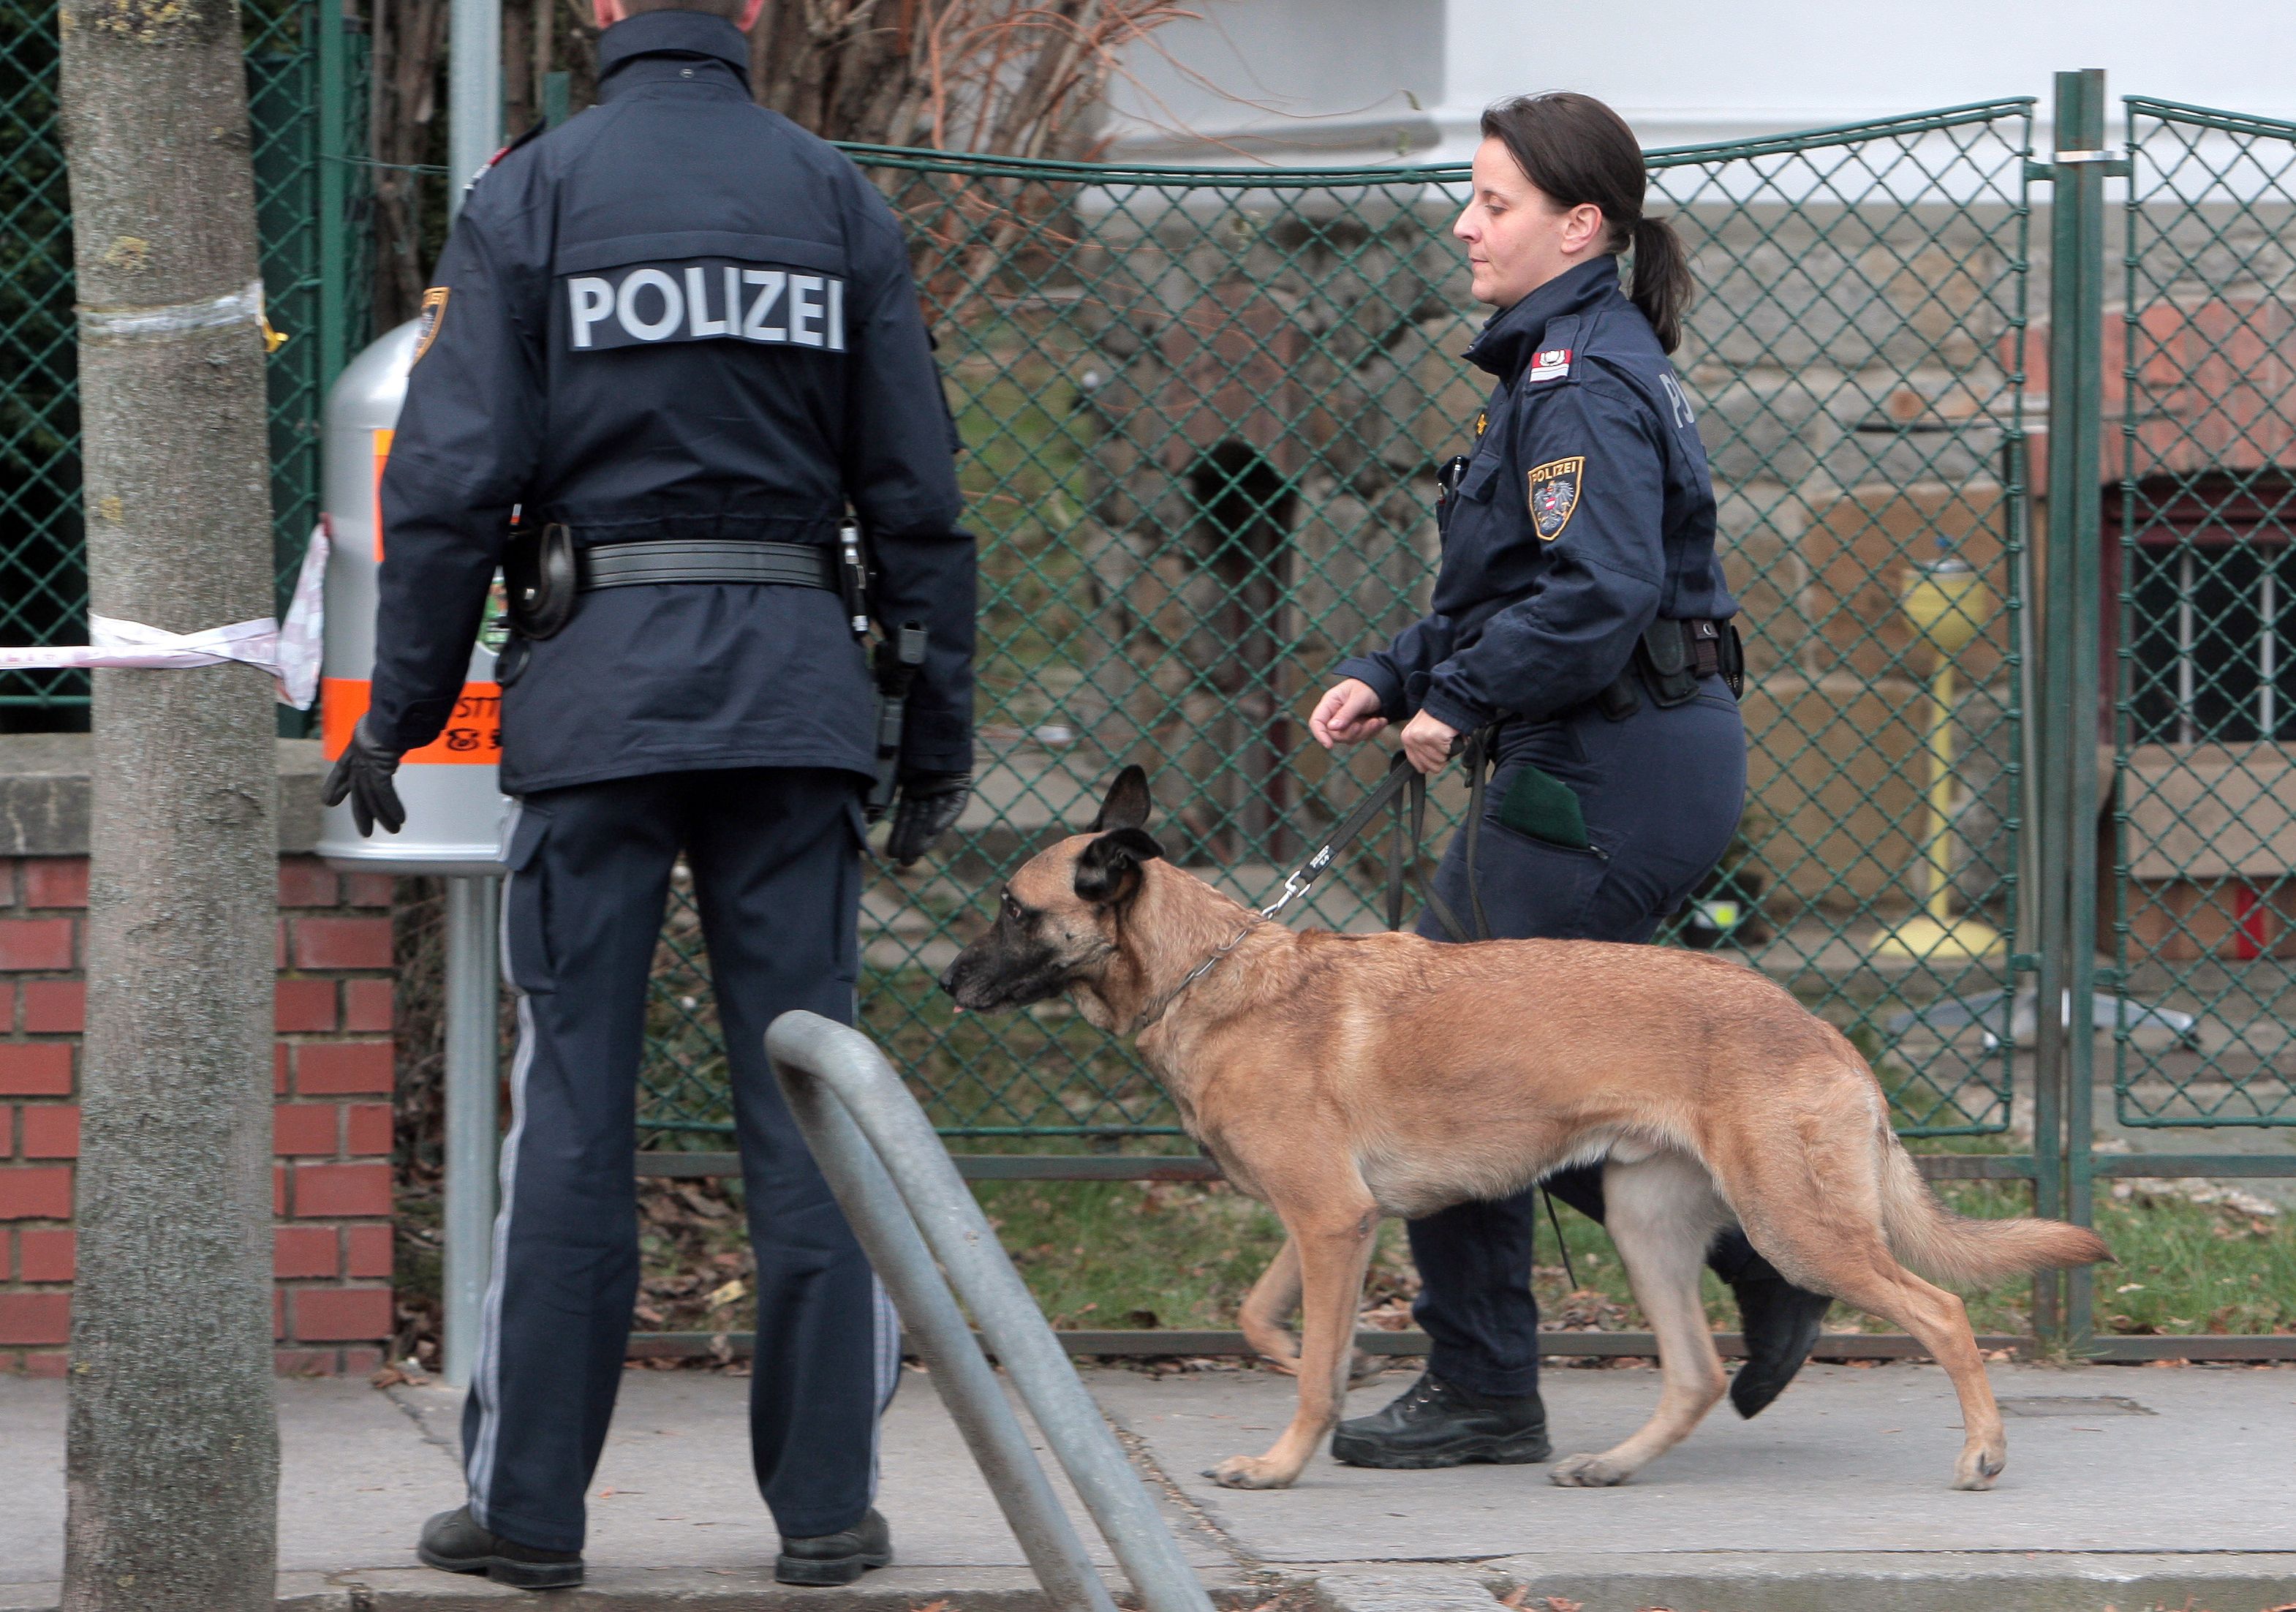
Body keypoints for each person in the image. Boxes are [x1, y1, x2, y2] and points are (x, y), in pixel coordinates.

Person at [320, 0, 975, 1588]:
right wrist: (933, 734)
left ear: (602, 10)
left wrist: (395, 719)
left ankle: (531, 1513)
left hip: (598, 695)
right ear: (752, 12)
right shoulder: (836, 200)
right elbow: (918, 493)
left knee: (572, 1115)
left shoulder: (532, 196)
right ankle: (826, 1510)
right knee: (809, 1111)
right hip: (793, 697)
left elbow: (454, 479)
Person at [1307, 91, 1833, 1471]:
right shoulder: (1562, 365)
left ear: (1578, 225)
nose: (1466, 225)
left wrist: (1460, 699)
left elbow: (1601, 588)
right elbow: (1512, 588)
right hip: (1612, 749)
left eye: (1493, 203)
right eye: (1472, 200)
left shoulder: (1580, 380)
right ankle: (1770, 1260)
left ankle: (1490, 1381)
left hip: (1609, 760)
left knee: (1443, 1061)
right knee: (1520, 1070)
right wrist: (1394, 670)